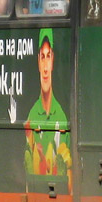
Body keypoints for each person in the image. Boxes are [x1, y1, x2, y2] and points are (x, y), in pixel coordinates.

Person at [24, 32, 72, 179]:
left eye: (48, 56)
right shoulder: (31, 116)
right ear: (38, 61)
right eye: (42, 57)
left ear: (53, 61)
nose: (45, 68)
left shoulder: (62, 117)